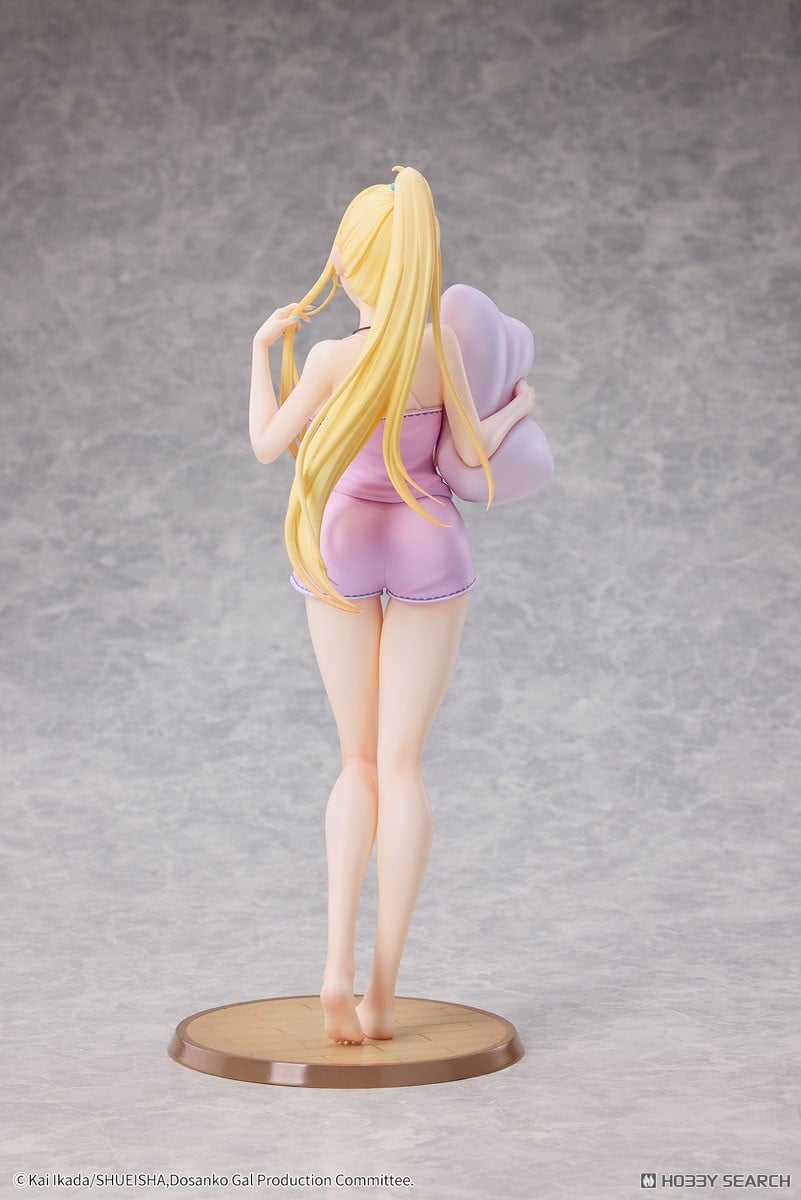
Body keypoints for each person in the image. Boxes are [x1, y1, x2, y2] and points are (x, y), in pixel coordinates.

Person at [249, 165, 535, 1044]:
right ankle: (379, 993)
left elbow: (267, 445)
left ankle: (334, 963)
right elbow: (471, 456)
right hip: (426, 536)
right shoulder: (435, 349)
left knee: (357, 762)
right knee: (403, 766)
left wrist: (258, 352)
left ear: (349, 261)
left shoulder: (331, 359)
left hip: (341, 536)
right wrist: (520, 407)